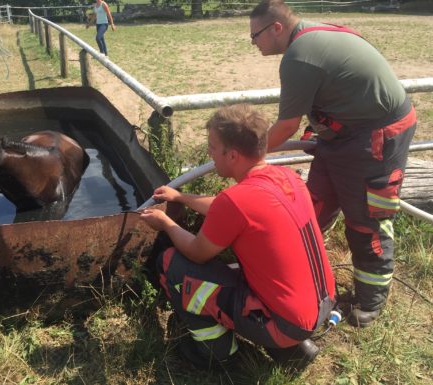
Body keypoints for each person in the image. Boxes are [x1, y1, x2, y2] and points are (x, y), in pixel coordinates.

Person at [249, 0, 416, 327]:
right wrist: (320, 131)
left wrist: (251, 158)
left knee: (367, 219)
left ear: (276, 28)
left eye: (255, 35)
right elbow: (336, 91)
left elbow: (285, 127)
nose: (254, 42)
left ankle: (370, 303)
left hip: (376, 137)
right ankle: (303, 269)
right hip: (344, 136)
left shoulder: (298, 57)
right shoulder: (313, 35)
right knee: (316, 203)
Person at [140, 104, 335, 370]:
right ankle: (291, 350)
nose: (210, 154)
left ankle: (217, 353)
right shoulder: (286, 177)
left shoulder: (237, 201)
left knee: (173, 265)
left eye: (212, 148)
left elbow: (197, 252)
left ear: (231, 155)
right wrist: (181, 197)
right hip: (318, 303)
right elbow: (225, 207)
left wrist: (165, 223)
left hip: (284, 323)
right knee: (235, 272)